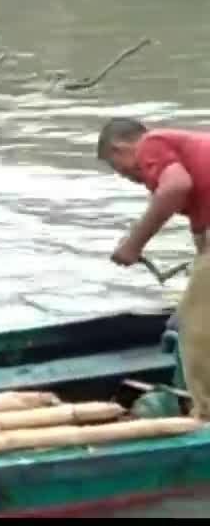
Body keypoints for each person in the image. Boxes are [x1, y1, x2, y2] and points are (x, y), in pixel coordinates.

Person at [97, 117, 210, 419]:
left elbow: (175, 187)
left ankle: (206, 416)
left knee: (196, 328)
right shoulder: (188, 147)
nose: (128, 177)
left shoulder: (152, 143)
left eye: (117, 167)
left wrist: (134, 244)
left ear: (119, 148)